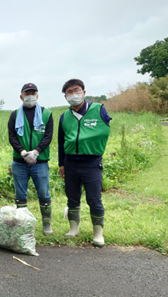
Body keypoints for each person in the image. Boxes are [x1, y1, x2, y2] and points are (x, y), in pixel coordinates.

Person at [58, 78, 111, 247]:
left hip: (92, 162)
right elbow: (61, 142)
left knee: (94, 199)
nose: (74, 94)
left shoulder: (98, 109)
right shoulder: (64, 116)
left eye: (76, 90)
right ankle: (73, 229)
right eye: (69, 92)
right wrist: (61, 163)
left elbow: (106, 126)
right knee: (72, 197)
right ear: (65, 96)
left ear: (84, 92)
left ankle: (98, 234)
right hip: (70, 161)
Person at [8, 83, 54, 235]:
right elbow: (12, 137)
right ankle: (22, 224)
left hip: (39, 162)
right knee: (20, 194)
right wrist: (22, 152)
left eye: (33, 93)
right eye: (27, 94)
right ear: (21, 96)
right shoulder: (15, 115)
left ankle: (47, 224)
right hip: (19, 162)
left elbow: (48, 136)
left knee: (43, 192)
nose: (30, 96)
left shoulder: (46, 114)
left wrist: (36, 152)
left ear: (37, 96)